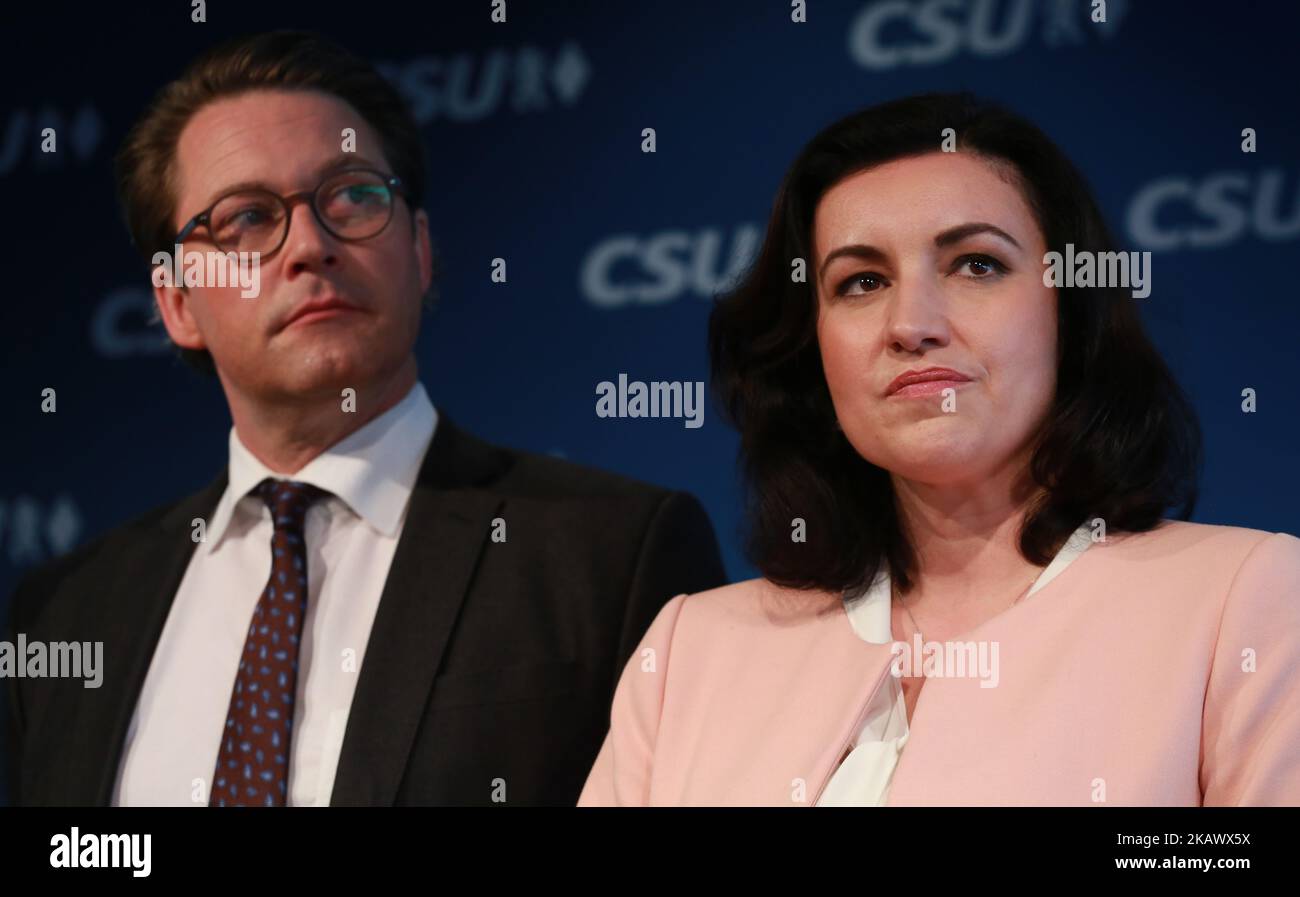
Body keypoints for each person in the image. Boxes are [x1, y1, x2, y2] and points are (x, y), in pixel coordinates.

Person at [3, 31, 726, 807]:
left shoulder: (612, 553)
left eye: (351, 196)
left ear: (417, 248)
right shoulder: (67, 612)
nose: (310, 245)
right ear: (177, 301)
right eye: (246, 218)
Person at [579, 92, 1300, 807]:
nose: (911, 323)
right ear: (813, 348)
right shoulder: (688, 651)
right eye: (861, 282)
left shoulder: (1243, 601)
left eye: (976, 264)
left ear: (1068, 311)